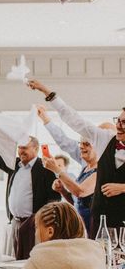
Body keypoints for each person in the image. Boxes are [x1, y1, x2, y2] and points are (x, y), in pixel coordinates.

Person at [29, 79, 125, 236]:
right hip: (101, 219)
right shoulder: (105, 139)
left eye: (124, 122)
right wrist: (47, 92)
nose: (119, 125)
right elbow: (74, 120)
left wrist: (122, 188)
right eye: (118, 121)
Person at [0, 135, 60, 260]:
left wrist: (42, 220)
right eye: (19, 147)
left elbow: (54, 198)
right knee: (17, 258)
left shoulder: (45, 167)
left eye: (25, 147)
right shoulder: (14, 164)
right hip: (15, 222)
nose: (21, 151)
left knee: (32, 259)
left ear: (36, 149)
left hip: (34, 223)